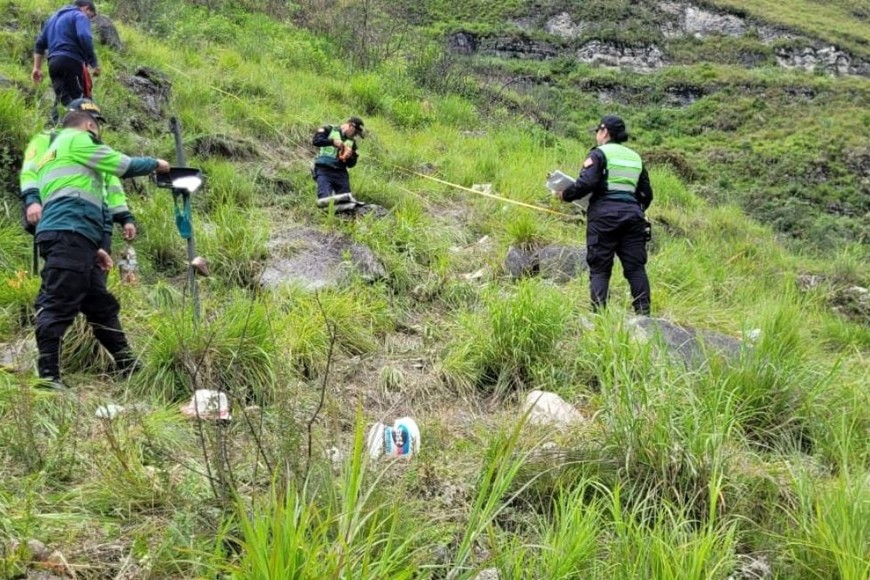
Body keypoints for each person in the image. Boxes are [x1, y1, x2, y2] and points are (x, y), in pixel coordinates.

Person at [23, 109, 169, 389]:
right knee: (57, 302)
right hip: (70, 232)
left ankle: (127, 364)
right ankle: (48, 379)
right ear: (90, 125)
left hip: (72, 235)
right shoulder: (78, 139)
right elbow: (120, 164)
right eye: (97, 130)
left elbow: (72, 195)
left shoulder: (52, 153)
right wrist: (156, 163)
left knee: (99, 303)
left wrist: (92, 250)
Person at [554, 115, 653, 315]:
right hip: (633, 218)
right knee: (635, 268)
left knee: (600, 268)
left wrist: (565, 195)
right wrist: (633, 209)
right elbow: (646, 194)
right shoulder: (635, 158)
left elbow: (586, 184)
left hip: (604, 217)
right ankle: (644, 316)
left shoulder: (599, 154)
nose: (597, 135)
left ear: (605, 131)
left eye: (597, 131)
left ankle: (599, 317)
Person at [20, 98, 137, 249]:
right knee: (64, 265)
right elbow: (29, 172)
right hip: (59, 215)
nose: (94, 127)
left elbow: (113, 186)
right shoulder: (46, 140)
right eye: (93, 121)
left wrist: (125, 218)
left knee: (96, 270)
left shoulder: (98, 148)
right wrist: (33, 201)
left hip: (99, 221)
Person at [31, 1, 101, 122]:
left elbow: (39, 44)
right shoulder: (80, 15)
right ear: (86, 8)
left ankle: (56, 127)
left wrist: (36, 68)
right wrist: (93, 63)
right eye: (91, 16)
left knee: (62, 99)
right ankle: (82, 131)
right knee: (79, 101)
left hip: (53, 64)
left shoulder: (53, 19)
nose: (89, 19)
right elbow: (84, 36)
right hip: (71, 61)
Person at [311, 116, 364, 199]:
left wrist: (350, 157)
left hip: (341, 173)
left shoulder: (352, 143)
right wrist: (332, 142)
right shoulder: (329, 129)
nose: (355, 135)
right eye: (355, 132)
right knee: (325, 196)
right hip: (324, 169)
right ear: (350, 126)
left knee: (346, 199)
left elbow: (351, 164)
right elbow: (316, 141)